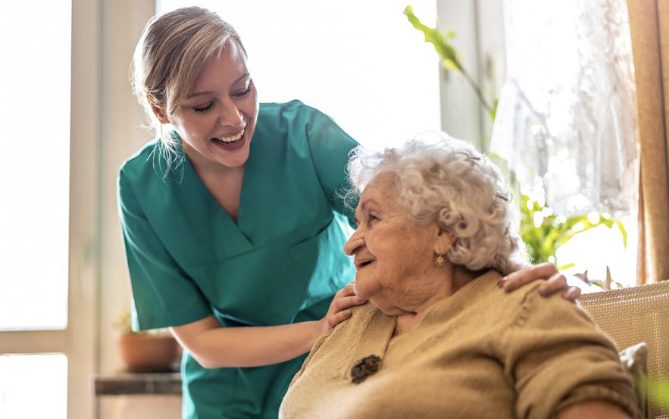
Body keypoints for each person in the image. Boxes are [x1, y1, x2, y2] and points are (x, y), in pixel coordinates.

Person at [118, 6, 581, 419]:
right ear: (161, 109)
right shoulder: (141, 189)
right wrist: (314, 330)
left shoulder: (303, 136)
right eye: (204, 105)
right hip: (227, 390)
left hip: (334, 357)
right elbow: (202, 341)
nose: (235, 118)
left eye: (242, 89)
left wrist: (514, 277)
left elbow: (412, 216)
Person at [279, 133, 638, 419]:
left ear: (445, 230)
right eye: (357, 222)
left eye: (373, 219)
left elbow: (593, 401)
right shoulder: (347, 321)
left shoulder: (525, 306)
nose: (350, 244)